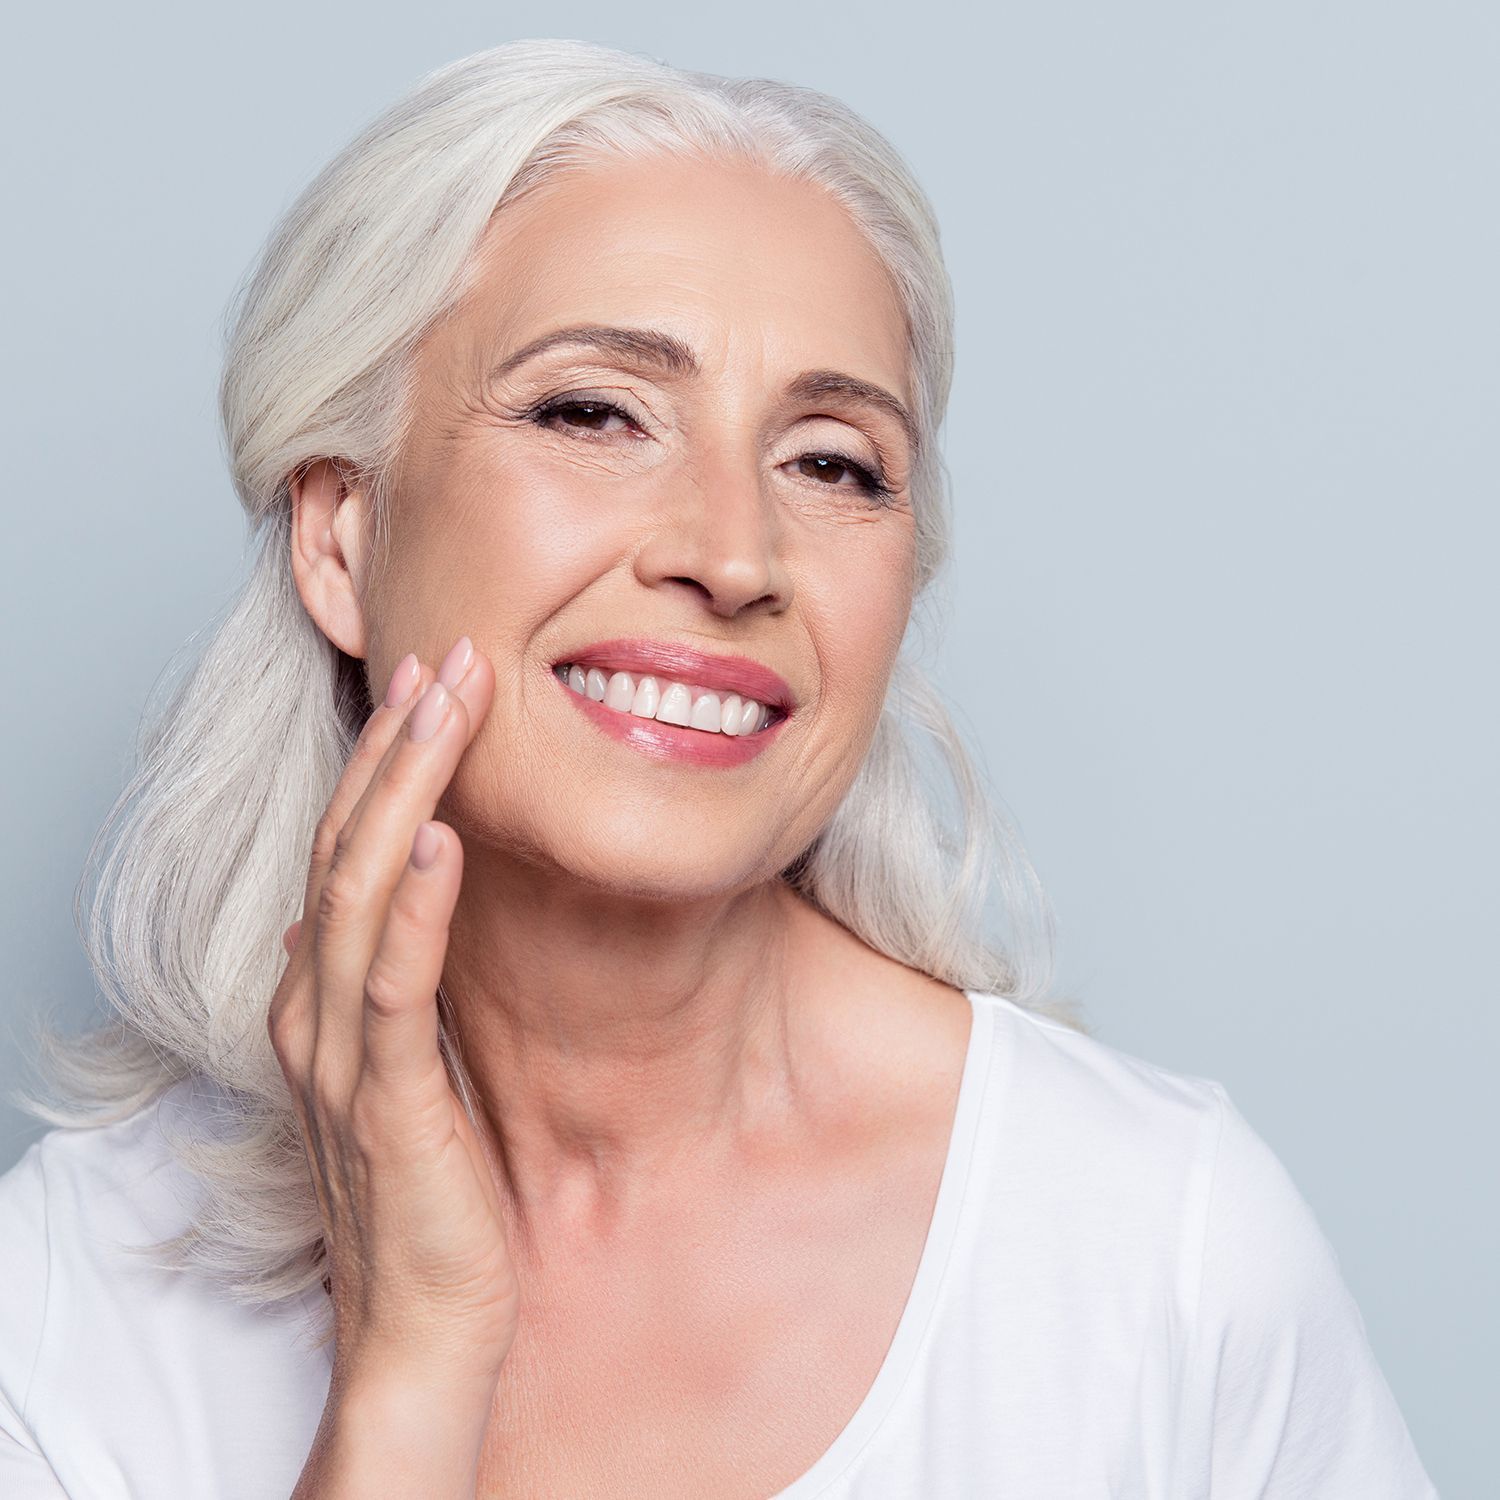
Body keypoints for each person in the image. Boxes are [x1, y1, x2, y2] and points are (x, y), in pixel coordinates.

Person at [0, 38, 1439, 1499]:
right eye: (594, 412)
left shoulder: (1162, 1256)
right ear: (342, 538)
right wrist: (412, 1362)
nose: (734, 556)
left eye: (832, 463)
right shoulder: (67, 1305)